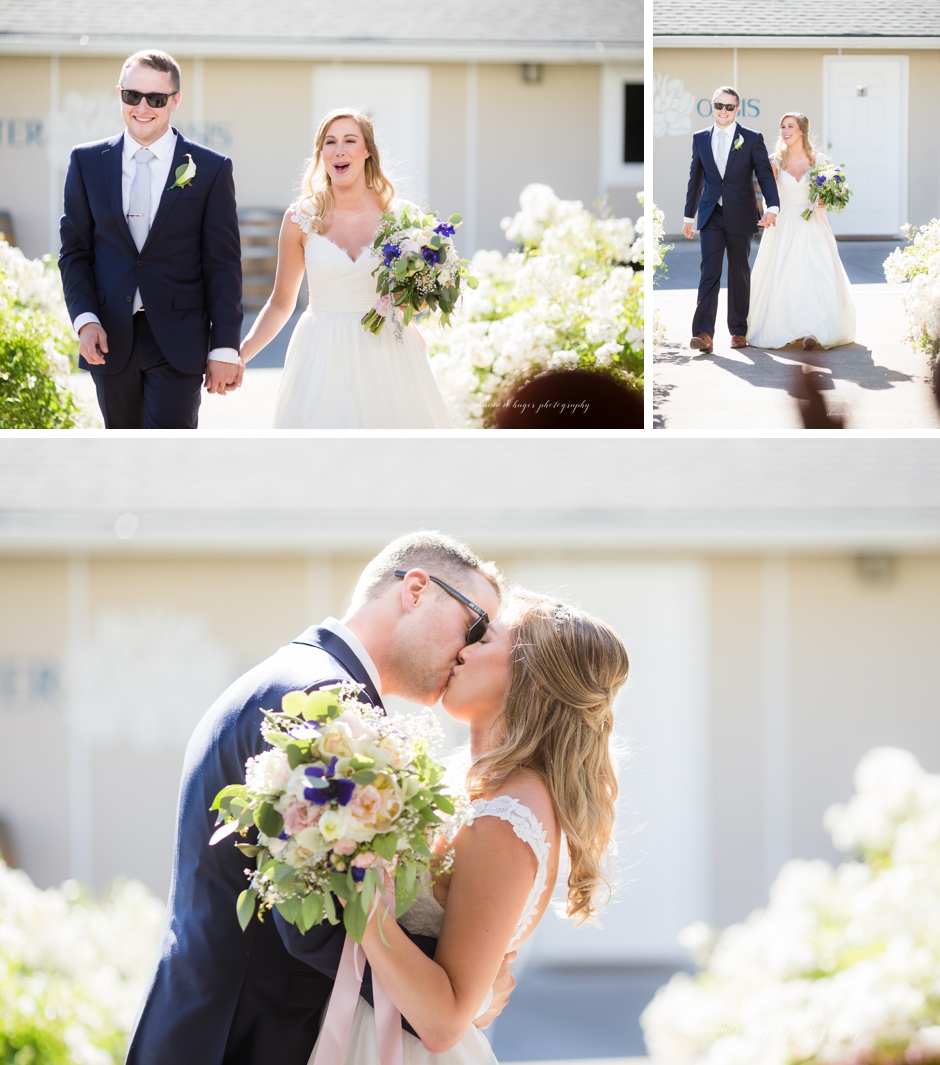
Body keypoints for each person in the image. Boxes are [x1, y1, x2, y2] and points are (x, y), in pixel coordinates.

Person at [125, 532, 515, 1065]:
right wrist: (449, 993)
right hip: (235, 1039)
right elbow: (313, 925)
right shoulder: (320, 703)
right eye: (474, 626)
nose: (471, 650)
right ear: (417, 590)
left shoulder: (300, 680)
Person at [294, 587, 629, 1065]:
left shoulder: (508, 816)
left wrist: (360, 897)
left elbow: (445, 1019)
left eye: (483, 638)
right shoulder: (471, 783)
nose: (463, 650)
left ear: (531, 681)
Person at [59, 50, 243, 429]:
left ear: (175, 101)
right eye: (132, 96)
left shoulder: (210, 169)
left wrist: (225, 346)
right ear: (120, 94)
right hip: (109, 335)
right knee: (121, 451)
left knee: (168, 455)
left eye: (156, 99)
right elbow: (75, 252)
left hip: (179, 340)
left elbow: (223, 265)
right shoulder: (86, 162)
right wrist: (85, 319)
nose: (143, 107)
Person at [238, 109, 452, 429]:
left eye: (350, 140)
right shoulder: (300, 219)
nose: (339, 149)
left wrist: (412, 302)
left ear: (367, 151)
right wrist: (239, 357)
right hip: (321, 352)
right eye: (330, 142)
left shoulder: (405, 218)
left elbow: (421, 300)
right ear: (321, 153)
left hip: (389, 353)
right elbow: (281, 303)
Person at [746, 112, 856, 351]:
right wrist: (769, 211)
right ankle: (787, 329)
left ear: (802, 131)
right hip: (783, 222)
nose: (785, 130)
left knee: (814, 273)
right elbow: (768, 192)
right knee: (784, 274)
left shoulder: (819, 160)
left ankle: (812, 331)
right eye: (783, 126)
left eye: (791, 126)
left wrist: (825, 201)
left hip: (811, 222)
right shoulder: (774, 160)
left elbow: (829, 193)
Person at [683, 86, 780, 354]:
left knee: (739, 271)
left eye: (729, 107)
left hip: (741, 213)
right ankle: (703, 333)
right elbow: (696, 179)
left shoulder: (751, 138)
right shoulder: (700, 138)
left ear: (737, 109)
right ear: (711, 106)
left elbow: (764, 175)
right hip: (711, 213)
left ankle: (738, 331)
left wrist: (772, 207)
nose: (723, 111)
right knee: (709, 271)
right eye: (719, 106)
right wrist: (688, 216)